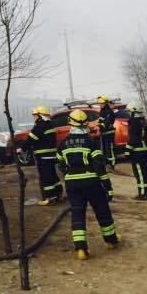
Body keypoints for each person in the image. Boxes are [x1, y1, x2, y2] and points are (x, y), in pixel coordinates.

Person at [56, 110, 120, 260]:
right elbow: (99, 166)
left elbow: (60, 164)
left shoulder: (63, 143)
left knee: (77, 214)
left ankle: (81, 249)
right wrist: (107, 185)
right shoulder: (91, 142)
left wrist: (69, 175)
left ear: (69, 124)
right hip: (91, 181)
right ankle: (111, 241)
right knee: (102, 210)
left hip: (72, 183)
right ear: (85, 125)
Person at [27, 106, 62, 205]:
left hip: (43, 156)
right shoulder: (49, 124)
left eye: (34, 115)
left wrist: (21, 148)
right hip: (51, 155)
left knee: (46, 177)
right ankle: (58, 194)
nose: (34, 118)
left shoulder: (39, 126)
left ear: (39, 116)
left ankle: (50, 198)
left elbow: (31, 139)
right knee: (53, 176)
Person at [127, 103, 147, 200]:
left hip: (137, 151)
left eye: (130, 111)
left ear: (134, 112)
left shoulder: (133, 122)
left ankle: (143, 193)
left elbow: (133, 138)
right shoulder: (144, 121)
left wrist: (127, 150)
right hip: (146, 150)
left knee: (139, 172)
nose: (129, 113)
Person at [96, 95, 117, 170]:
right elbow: (100, 121)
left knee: (109, 149)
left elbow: (106, 122)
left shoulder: (109, 111)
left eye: (102, 103)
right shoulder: (102, 111)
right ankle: (107, 164)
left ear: (106, 103)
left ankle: (112, 165)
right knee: (104, 150)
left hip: (109, 133)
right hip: (104, 134)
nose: (100, 105)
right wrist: (97, 126)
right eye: (99, 103)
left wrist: (100, 126)